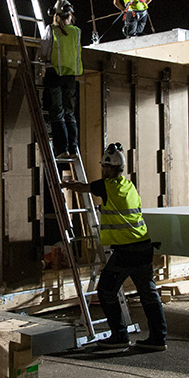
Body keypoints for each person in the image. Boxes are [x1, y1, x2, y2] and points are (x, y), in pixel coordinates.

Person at [62, 143, 167, 351]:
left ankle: (119, 336)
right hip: (144, 247)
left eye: (104, 166)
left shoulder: (106, 186)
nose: (103, 169)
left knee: (106, 291)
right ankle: (158, 338)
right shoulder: (129, 186)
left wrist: (64, 183)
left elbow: (82, 188)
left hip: (127, 252)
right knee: (149, 293)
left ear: (110, 168)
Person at [37, 0, 83, 158]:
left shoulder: (51, 30)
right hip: (70, 77)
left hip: (54, 74)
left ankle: (62, 149)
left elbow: (44, 51)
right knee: (69, 114)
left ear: (55, 15)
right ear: (70, 15)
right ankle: (73, 148)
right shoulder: (77, 32)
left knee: (58, 113)